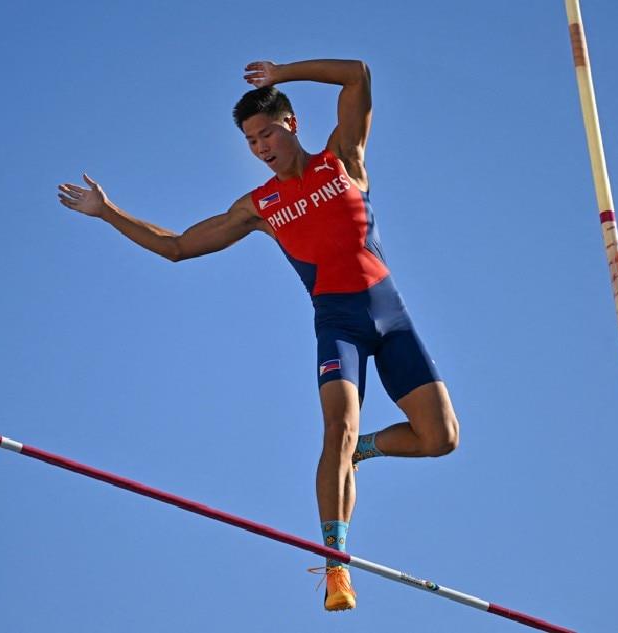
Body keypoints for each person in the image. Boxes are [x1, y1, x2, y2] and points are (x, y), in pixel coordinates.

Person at [57, 59, 460, 612]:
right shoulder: (260, 206)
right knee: (337, 427)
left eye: (266, 133)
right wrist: (107, 212)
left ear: (290, 123)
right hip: (337, 323)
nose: (260, 147)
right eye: (250, 141)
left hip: (393, 317)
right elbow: (177, 247)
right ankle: (337, 567)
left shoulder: (341, 161)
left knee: (440, 439)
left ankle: (363, 452)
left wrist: (282, 73)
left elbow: (358, 76)